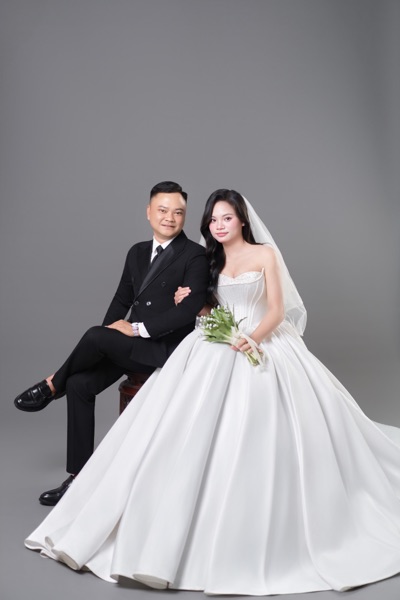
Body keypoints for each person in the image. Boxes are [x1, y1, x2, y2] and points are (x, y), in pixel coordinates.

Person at [25, 190, 400, 596]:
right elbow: (209, 311)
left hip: (261, 338)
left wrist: (251, 338)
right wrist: (195, 304)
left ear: (242, 220)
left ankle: (53, 386)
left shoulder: (264, 255)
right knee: (170, 409)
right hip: (218, 338)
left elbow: (276, 310)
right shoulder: (211, 260)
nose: (219, 226)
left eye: (227, 218)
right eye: (213, 220)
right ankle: (103, 484)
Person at [14, 181, 209, 506]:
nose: (170, 218)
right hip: (130, 346)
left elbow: (188, 311)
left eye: (178, 212)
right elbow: (121, 300)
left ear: (184, 216)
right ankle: (78, 480)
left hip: (164, 350)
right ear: (148, 212)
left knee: (94, 335)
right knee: (79, 383)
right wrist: (107, 341)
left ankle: (50, 386)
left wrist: (135, 329)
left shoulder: (194, 255)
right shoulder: (136, 252)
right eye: (163, 210)